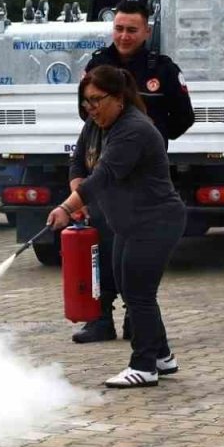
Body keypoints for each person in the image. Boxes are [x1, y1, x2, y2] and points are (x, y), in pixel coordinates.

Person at [48, 66, 186, 388]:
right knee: (131, 287)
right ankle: (162, 356)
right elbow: (79, 161)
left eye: (96, 100)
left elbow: (105, 174)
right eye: (86, 102)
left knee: (139, 292)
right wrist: (76, 192)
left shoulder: (133, 129)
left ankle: (144, 366)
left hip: (156, 222)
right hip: (128, 224)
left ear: (119, 97)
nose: (91, 108)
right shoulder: (95, 126)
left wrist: (67, 208)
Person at [70, 0, 194, 344]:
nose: (124, 36)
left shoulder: (162, 68)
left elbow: (185, 116)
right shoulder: (99, 64)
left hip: (141, 182)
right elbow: (85, 113)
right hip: (105, 175)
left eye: (131, 30)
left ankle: (136, 322)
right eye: (119, 28)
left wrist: (149, 139)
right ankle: (101, 318)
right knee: (105, 249)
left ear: (146, 31)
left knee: (133, 259)